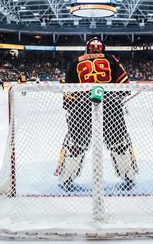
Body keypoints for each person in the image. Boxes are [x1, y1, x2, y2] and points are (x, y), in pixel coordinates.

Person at [55, 37, 137, 192]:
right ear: (102, 49)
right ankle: (128, 176)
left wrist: (70, 110)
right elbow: (125, 85)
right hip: (110, 104)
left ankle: (66, 178)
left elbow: (69, 92)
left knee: (75, 145)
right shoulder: (110, 59)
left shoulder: (76, 61)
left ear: (87, 49)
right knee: (119, 143)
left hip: (81, 106)